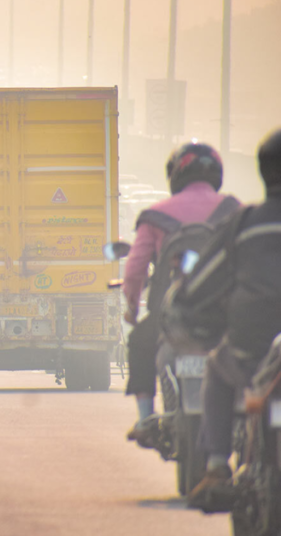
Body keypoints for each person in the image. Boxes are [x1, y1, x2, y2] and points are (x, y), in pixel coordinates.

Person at [180, 129, 281, 508]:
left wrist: (185, 306)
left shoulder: (245, 224)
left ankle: (218, 465)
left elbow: (200, 285)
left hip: (249, 352)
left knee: (217, 370)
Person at [122, 142, 238, 440]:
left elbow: (134, 271)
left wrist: (133, 310)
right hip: (224, 315)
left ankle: (146, 418)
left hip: (170, 317)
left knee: (139, 342)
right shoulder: (234, 210)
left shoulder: (155, 216)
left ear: (175, 175)